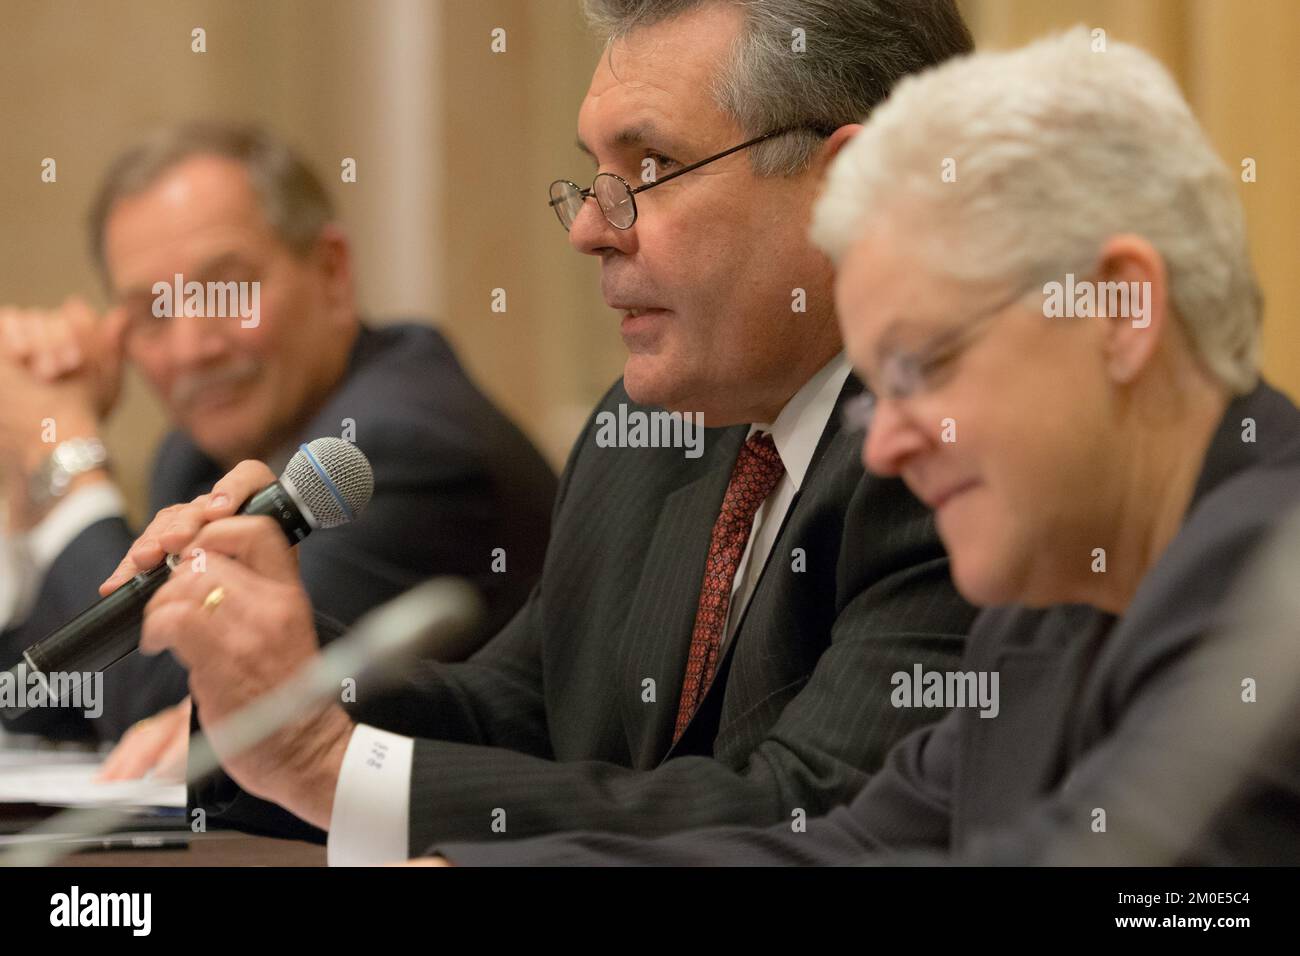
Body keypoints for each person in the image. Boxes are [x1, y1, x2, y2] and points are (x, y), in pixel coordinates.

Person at [105, 0, 979, 861]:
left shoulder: (960, 455)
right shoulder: (651, 431)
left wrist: (326, 766)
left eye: (651, 166)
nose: (591, 230)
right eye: (594, 176)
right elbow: (515, 715)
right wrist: (278, 676)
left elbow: (812, 817)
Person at [423, 28, 1300, 866]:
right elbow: (847, 849)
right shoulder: (1056, 599)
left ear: (1118, 311)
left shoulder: (1272, 573)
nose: (882, 448)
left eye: (923, 366)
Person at [0, 123, 558, 767]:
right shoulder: (193, 455)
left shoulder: (399, 448)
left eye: (227, 290)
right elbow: (40, 700)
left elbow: (186, 718)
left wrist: (66, 456)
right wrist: (27, 491)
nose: (192, 348)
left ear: (331, 271)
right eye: (153, 311)